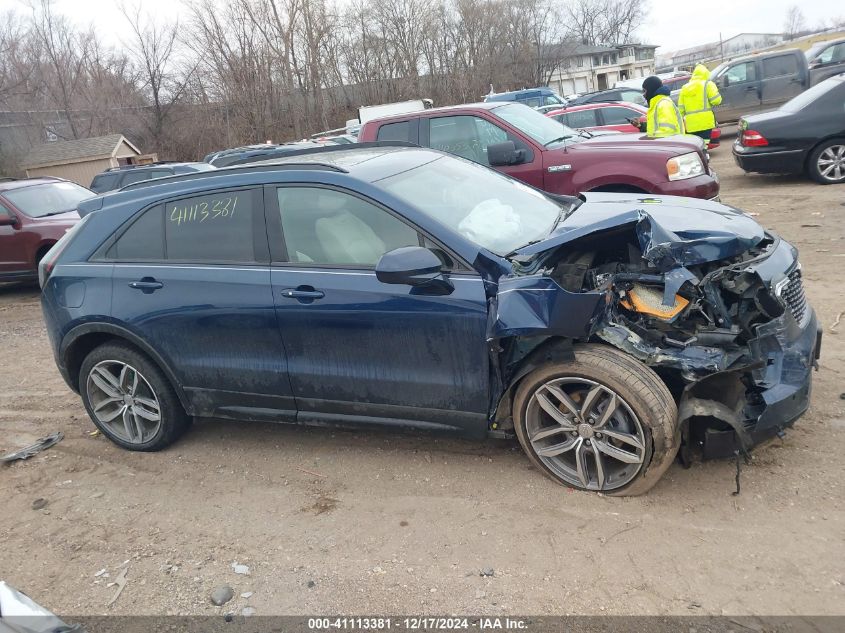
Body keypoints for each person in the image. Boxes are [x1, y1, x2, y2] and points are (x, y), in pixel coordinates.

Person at [678, 64, 722, 145]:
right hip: (705, 123)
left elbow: (681, 109)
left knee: (696, 146)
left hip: (691, 125)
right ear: (706, 74)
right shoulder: (708, 84)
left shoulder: (684, 88)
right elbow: (716, 101)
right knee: (704, 146)